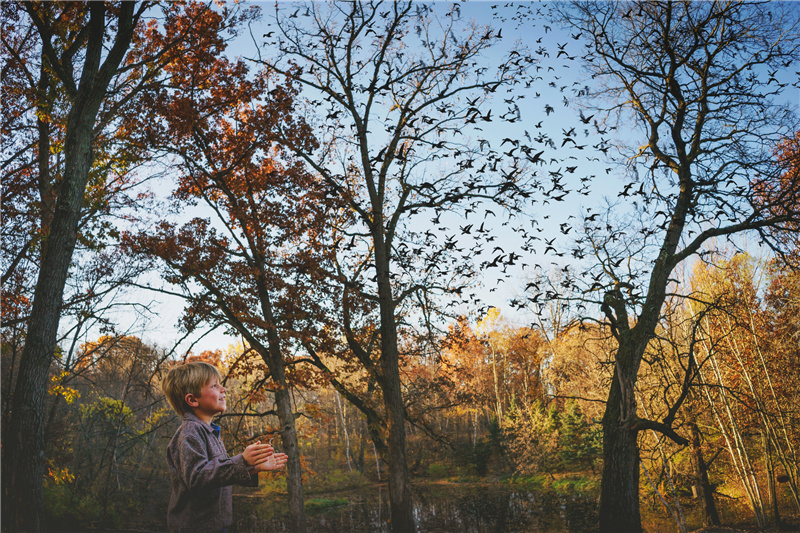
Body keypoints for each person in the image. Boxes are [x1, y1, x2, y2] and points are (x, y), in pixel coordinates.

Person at [161, 361, 288, 533]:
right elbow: (198, 478)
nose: (224, 389)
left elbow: (216, 476)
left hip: (214, 527)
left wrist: (253, 467)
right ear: (192, 400)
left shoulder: (208, 431)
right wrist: (242, 460)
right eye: (214, 386)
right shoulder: (190, 433)